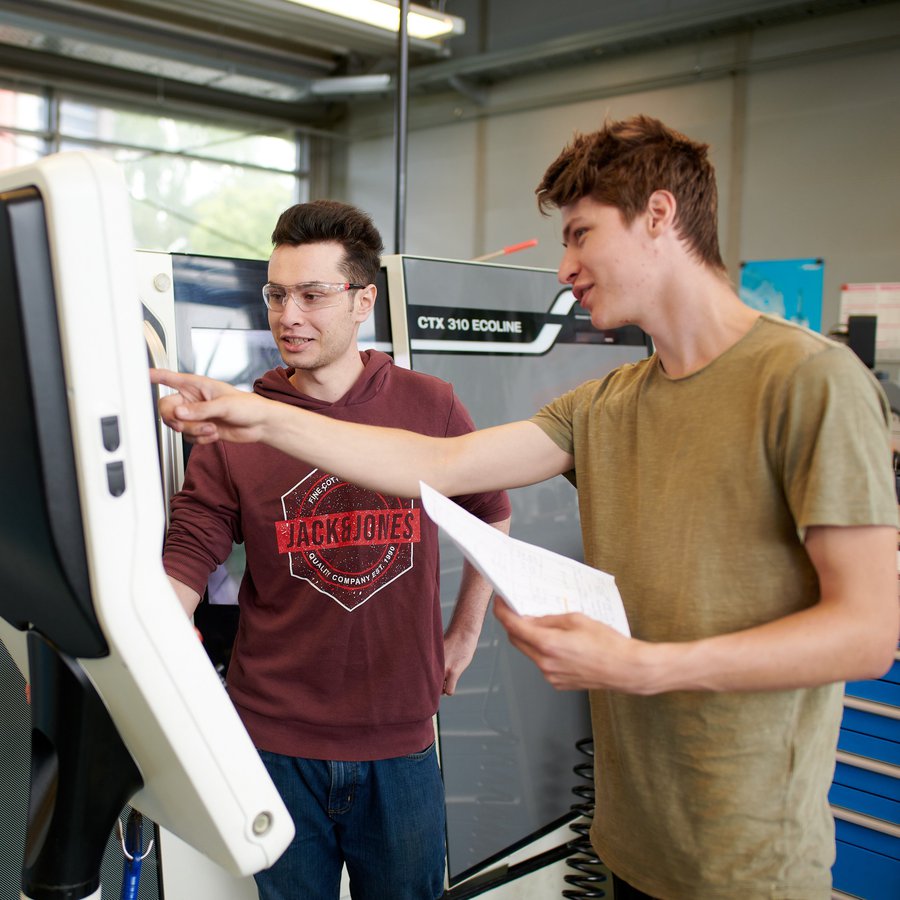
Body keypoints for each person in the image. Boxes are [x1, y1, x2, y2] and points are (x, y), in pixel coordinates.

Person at [152, 116, 898, 899]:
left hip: (750, 863)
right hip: (633, 838)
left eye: (580, 235)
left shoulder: (810, 381)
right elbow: (438, 464)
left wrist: (642, 667)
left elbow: (867, 632)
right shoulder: (603, 406)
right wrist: (258, 415)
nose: (565, 267)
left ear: (659, 215)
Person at [160, 199, 511, 900]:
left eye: (313, 295)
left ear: (363, 301)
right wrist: (134, 657)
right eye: (277, 294)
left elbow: (491, 513)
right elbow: (187, 556)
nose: (289, 316)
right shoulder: (241, 421)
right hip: (275, 742)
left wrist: (464, 633)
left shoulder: (429, 407)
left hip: (400, 742)